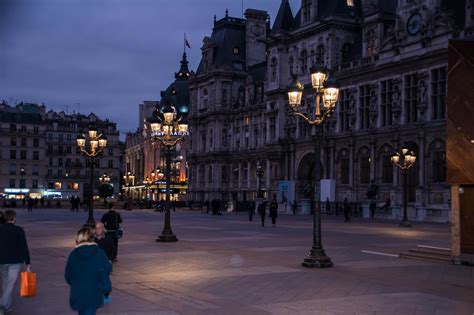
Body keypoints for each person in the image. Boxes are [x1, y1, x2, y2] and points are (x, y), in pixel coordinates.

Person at [65, 227, 112, 315]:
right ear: (91, 238)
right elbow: (108, 269)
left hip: (78, 293)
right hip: (93, 293)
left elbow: (68, 276)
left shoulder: (73, 254)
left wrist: (77, 283)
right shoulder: (99, 252)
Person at [0, 210, 31, 314]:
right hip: (15, 261)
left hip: (2, 261)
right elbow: (24, 246)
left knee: (6, 283)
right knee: (11, 283)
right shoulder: (19, 230)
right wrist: (28, 262)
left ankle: (6, 307)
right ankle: (2, 303)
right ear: (14, 218)